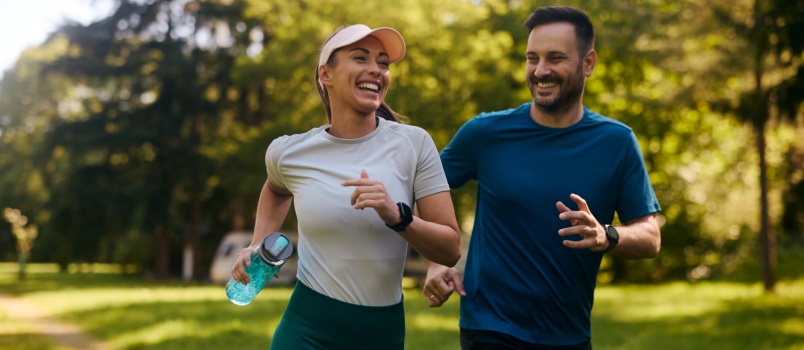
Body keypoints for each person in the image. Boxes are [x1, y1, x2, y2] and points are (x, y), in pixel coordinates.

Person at [423, 6, 662, 350]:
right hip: (489, 328)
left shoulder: (617, 142)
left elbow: (650, 237)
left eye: (555, 58)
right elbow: (426, 189)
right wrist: (434, 262)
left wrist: (606, 235)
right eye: (532, 58)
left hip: (569, 334)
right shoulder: (485, 133)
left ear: (588, 63)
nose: (540, 71)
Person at [230, 24, 462, 349]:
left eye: (383, 63)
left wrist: (397, 216)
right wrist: (257, 243)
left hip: (381, 335)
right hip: (306, 330)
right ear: (326, 74)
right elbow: (276, 188)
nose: (376, 70)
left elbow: (450, 249)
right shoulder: (290, 152)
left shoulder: (414, 144)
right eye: (360, 57)